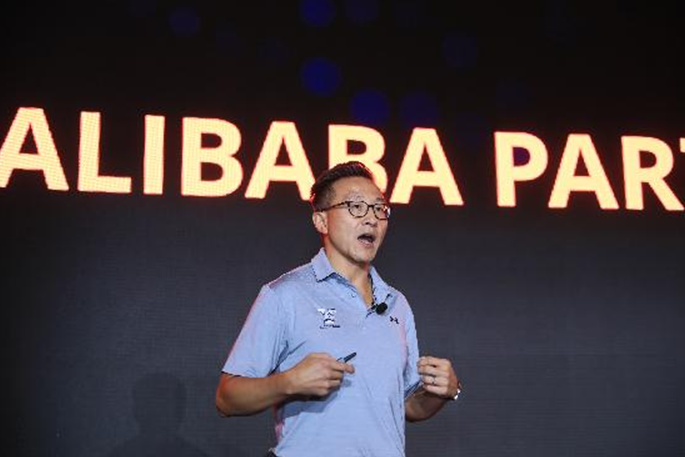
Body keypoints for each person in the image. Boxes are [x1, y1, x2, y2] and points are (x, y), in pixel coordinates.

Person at [215, 161, 461, 457]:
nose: (371, 219)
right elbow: (227, 398)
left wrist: (442, 392)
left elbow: (407, 406)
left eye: (379, 208)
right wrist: (288, 382)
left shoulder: (397, 303)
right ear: (321, 221)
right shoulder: (285, 294)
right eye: (356, 207)